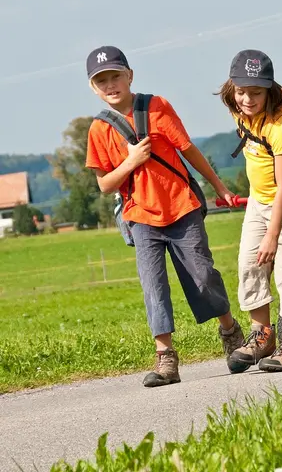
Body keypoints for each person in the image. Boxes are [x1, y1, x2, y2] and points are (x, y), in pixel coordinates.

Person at [84, 45, 246, 387]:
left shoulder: (157, 107)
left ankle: (230, 331)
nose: (110, 84)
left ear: (130, 76)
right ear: (93, 88)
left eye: (116, 75)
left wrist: (217, 186)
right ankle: (166, 358)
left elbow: (188, 150)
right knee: (153, 286)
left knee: (203, 275)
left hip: (181, 207)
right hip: (139, 216)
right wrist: (130, 162)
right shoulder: (99, 129)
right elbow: (103, 184)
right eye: (102, 80)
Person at [215, 49, 282, 373]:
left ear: (269, 90)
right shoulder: (239, 110)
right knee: (249, 264)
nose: (247, 99)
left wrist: (273, 235)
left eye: (256, 93)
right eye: (242, 91)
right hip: (259, 202)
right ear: (232, 87)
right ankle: (263, 335)